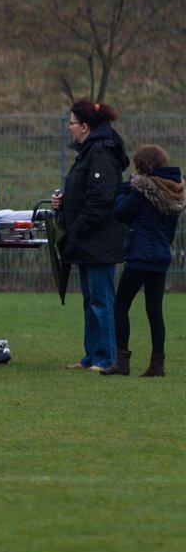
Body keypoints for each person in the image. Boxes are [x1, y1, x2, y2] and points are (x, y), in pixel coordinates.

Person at [51, 100, 128, 372]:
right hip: (87, 239)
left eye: (72, 123)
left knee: (101, 299)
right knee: (90, 299)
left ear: (85, 127)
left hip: (98, 238)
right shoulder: (90, 151)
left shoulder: (102, 153)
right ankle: (91, 355)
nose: (69, 128)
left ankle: (107, 358)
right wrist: (64, 203)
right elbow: (85, 191)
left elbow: (101, 199)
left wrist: (77, 226)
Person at [104, 144, 184, 377]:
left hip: (140, 256)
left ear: (143, 165)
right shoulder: (173, 191)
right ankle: (157, 364)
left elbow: (120, 212)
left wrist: (127, 186)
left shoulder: (140, 190)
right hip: (160, 257)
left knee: (121, 305)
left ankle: (122, 362)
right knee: (154, 310)